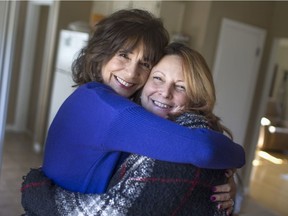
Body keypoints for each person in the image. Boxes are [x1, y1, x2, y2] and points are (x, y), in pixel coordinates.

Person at [21, 42, 239, 215]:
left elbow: (110, 212)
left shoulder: (178, 155)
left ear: (197, 96)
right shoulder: (140, 123)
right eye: (157, 78)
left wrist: (37, 190)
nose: (164, 92)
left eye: (180, 86)